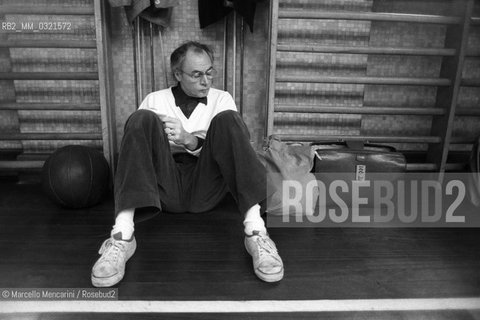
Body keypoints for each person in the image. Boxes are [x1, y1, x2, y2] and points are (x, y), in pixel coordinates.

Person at [91, 41, 284, 287]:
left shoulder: (222, 99)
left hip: (205, 187)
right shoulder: (155, 100)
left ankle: (256, 233)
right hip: (165, 186)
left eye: (209, 72)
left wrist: (189, 140)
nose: (206, 81)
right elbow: (138, 157)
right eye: (196, 74)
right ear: (178, 75)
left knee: (228, 120)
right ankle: (122, 236)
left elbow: (233, 152)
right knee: (140, 119)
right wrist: (161, 139)